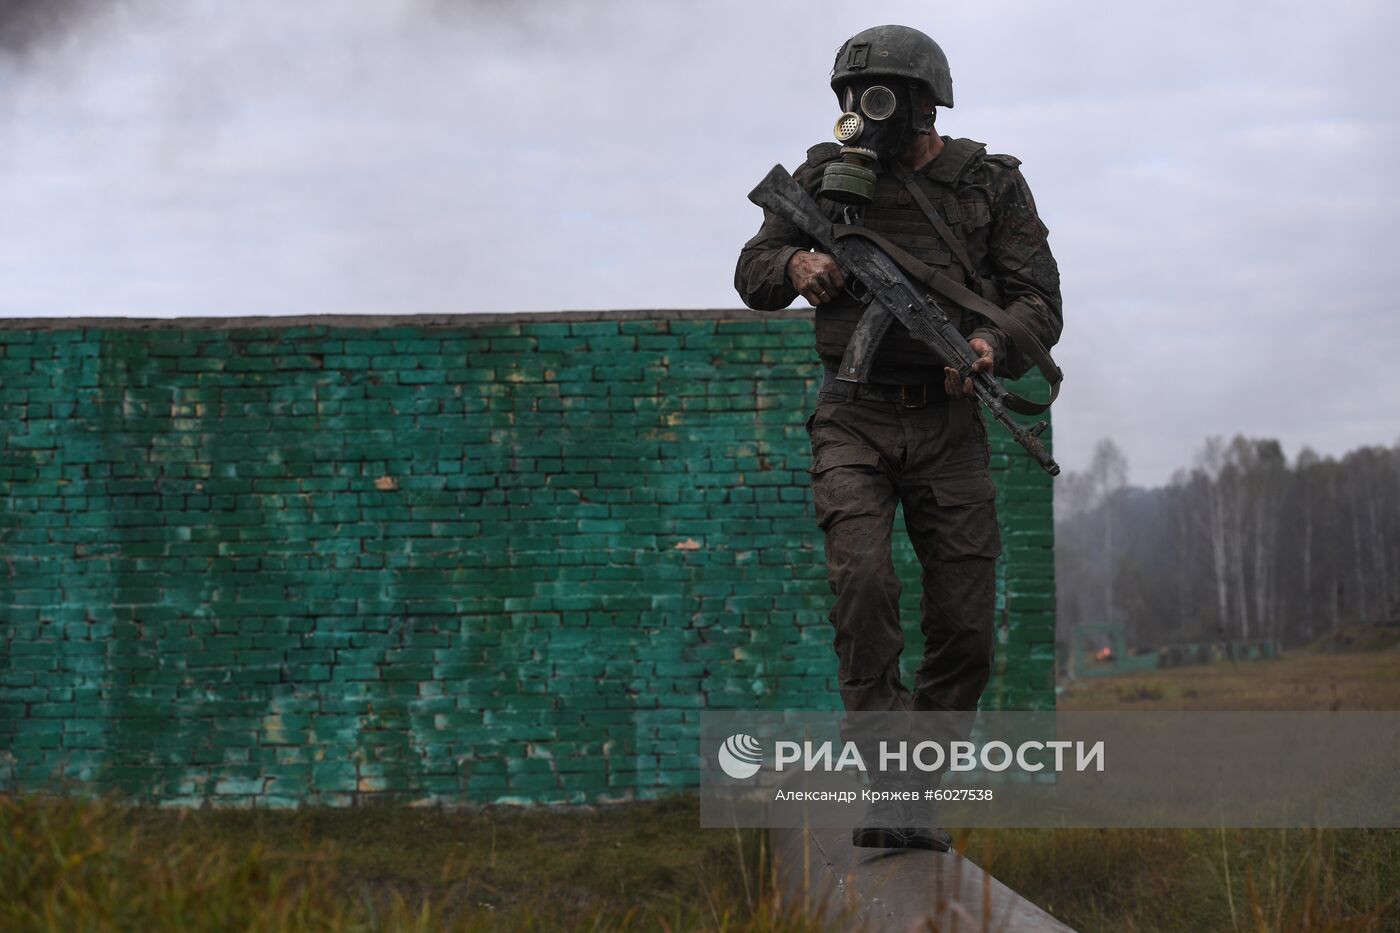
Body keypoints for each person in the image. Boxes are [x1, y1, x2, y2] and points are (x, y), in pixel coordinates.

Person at [733, 24, 1063, 850]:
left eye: (878, 95)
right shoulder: (822, 179)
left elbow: (1039, 302)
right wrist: (794, 266)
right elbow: (753, 269)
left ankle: (916, 784)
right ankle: (887, 780)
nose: (864, 111)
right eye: (852, 96)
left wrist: (987, 345)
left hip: (950, 424)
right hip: (854, 416)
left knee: (966, 628)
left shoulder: (988, 185)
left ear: (924, 103)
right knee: (864, 588)